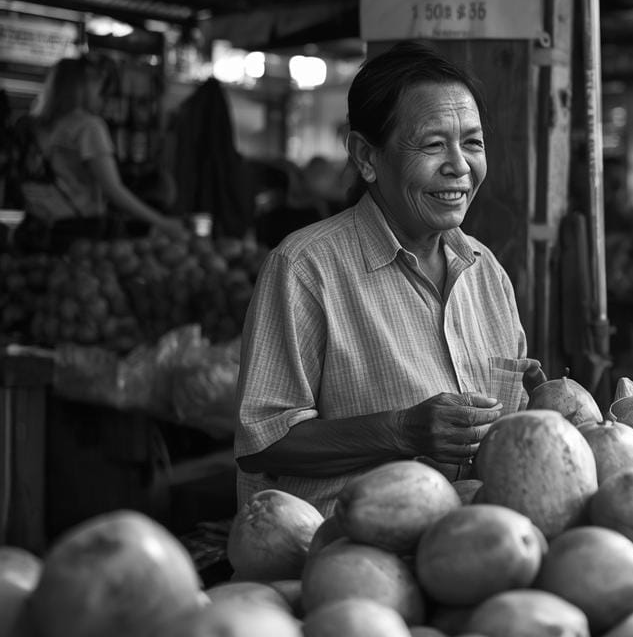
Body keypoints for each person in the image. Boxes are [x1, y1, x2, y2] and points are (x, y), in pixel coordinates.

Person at [235, 41, 543, 516]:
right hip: (334, 558)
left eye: (473, 142)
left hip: (470, 546)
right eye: (433, 144)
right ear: (365, 156)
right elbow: (263, 441)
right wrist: (402, 430)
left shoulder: (488, 274)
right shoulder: (305, 269)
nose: (459, 166)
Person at [24, 57, 184, 246]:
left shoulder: (36, 126)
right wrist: (161, 222)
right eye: (100, 90)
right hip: (77, 231)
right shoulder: (88, 126)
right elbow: (113, 189)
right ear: (84, 88)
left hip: (36, 227)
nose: (102, 99)